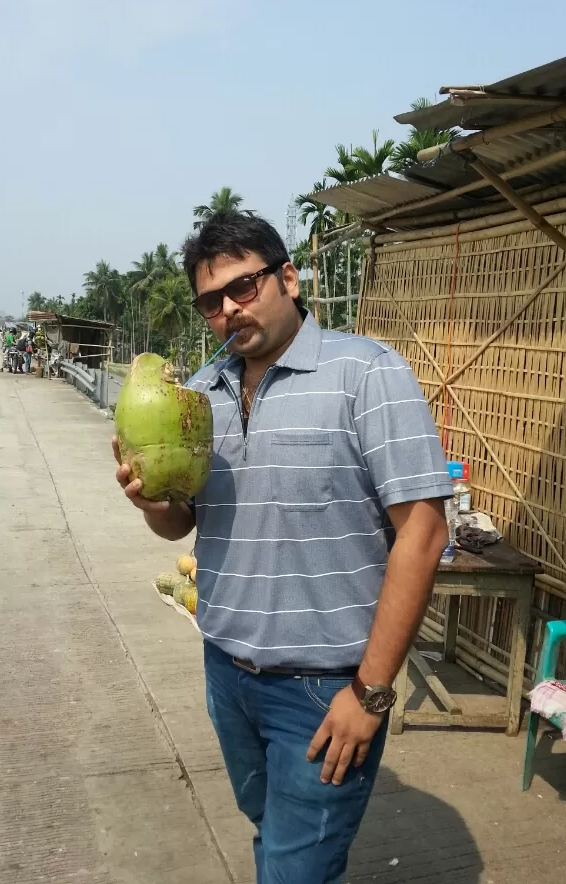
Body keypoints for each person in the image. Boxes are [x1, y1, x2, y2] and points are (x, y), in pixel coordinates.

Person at [113, 212, 452, 884]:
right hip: (228, 674)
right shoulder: (198, 397)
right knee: (273, 833)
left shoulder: (366, 374)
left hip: (325, 689)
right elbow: (182, 524)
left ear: (288, 278)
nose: (229, 310)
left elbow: (425, 531)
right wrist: (150, 500)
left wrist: (373, 691)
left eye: (244, 287)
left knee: (297, 869)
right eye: (211, 301)